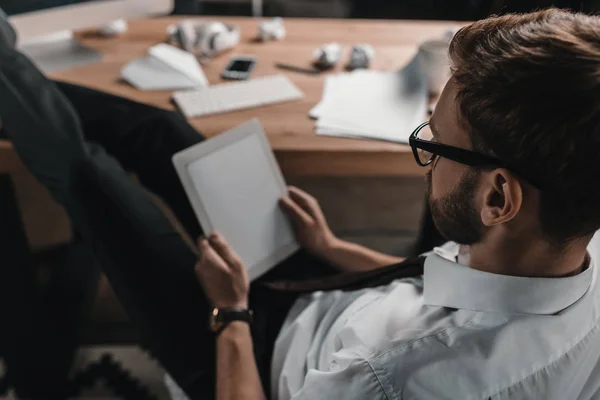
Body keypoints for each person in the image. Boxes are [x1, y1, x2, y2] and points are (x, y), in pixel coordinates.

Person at [2, 7, 600, 400]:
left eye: (437, 147)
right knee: (169, 137)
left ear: (499, 196)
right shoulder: (566, 245)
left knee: (91, 182)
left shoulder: (385, 382)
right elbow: (443, 291)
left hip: (246, 357)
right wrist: (332, 250)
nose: (423, 158)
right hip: (330, 300)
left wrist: (230, 313)